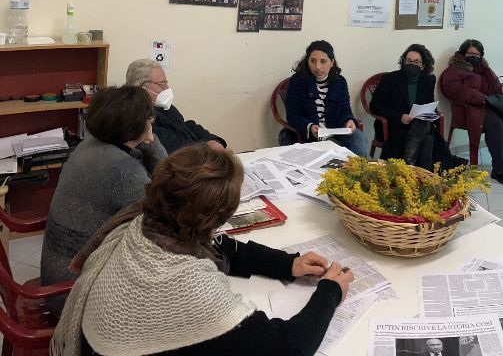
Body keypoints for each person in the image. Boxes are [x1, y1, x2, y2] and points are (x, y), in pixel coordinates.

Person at [51, 144, 354, 356]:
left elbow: (222, 247)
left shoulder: (146, 224)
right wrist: (329, 293)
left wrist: (287, 264)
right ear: (212, 220)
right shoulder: (189, 286)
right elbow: (286, 347)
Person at [41, 86, 169, 290]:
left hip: (57, 272)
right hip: (75, 289)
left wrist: (146, 137)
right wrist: (149, 137)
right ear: (137, 125)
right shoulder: (122, 170)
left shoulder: (90, 144)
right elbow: (166, 205)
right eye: (150, 119)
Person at [440, 39, 503, 185]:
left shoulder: (484, 68)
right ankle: (499, 169)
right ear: (463, 54)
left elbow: (496, 86)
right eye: (470, 53)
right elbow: (454, 90)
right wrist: (481, 98)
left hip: (492, 106)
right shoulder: (454, 70)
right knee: (496, 124)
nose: (474, 56)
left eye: (477, 54)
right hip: (472, 110)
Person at [370, 45, 464, 171]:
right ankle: (423, 173)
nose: (411, 64)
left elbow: (429, 104)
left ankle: (409, 165)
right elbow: (375, 105)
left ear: (423, 65)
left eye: (416, 62)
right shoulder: (390, 79)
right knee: (428, 139)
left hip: (419, 125)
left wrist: (430, 114)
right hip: (396, 126)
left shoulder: (428, 80)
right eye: (408, 61)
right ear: (404, 62)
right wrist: (400, 117)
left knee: (423, 126)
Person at [284, 40, 369, 157]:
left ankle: (359, 167)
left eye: (323, 61)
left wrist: (349, 120)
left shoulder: (340, 81)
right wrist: (309, 126)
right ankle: (351, 166)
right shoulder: (297, 81)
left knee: (359, 139)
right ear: (307, 61)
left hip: (339, 129)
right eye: (313, 61)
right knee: (337, 150)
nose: (317, 67)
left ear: (332, 62)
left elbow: (345, 109)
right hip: (316, 134)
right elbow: (292, 115)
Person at [125, 58, 228, 152]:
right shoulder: (140, 118)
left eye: (166, 83)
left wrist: (214, 141)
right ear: (141, 87)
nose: (167, 88)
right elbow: (173, 147)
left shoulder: (162, 106)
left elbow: (187, 126)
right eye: (161, 84)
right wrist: (208, 148)